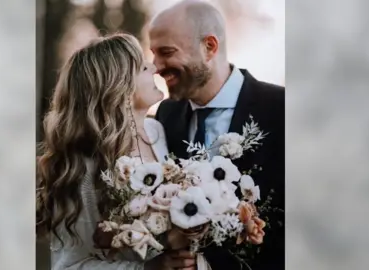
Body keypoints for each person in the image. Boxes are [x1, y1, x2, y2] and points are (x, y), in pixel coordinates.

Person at [36, 33, 197, 270]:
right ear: (119, 85)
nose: (153, 67)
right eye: (142, 67)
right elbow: (70, 265)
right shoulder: (84, 165)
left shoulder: (157, 131)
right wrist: (148, 268)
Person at [151, 1, 285, 269]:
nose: (156, 66)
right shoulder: (165, 116)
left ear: (209, 47)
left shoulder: (280, 109)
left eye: (166, 52)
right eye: (154, 54)